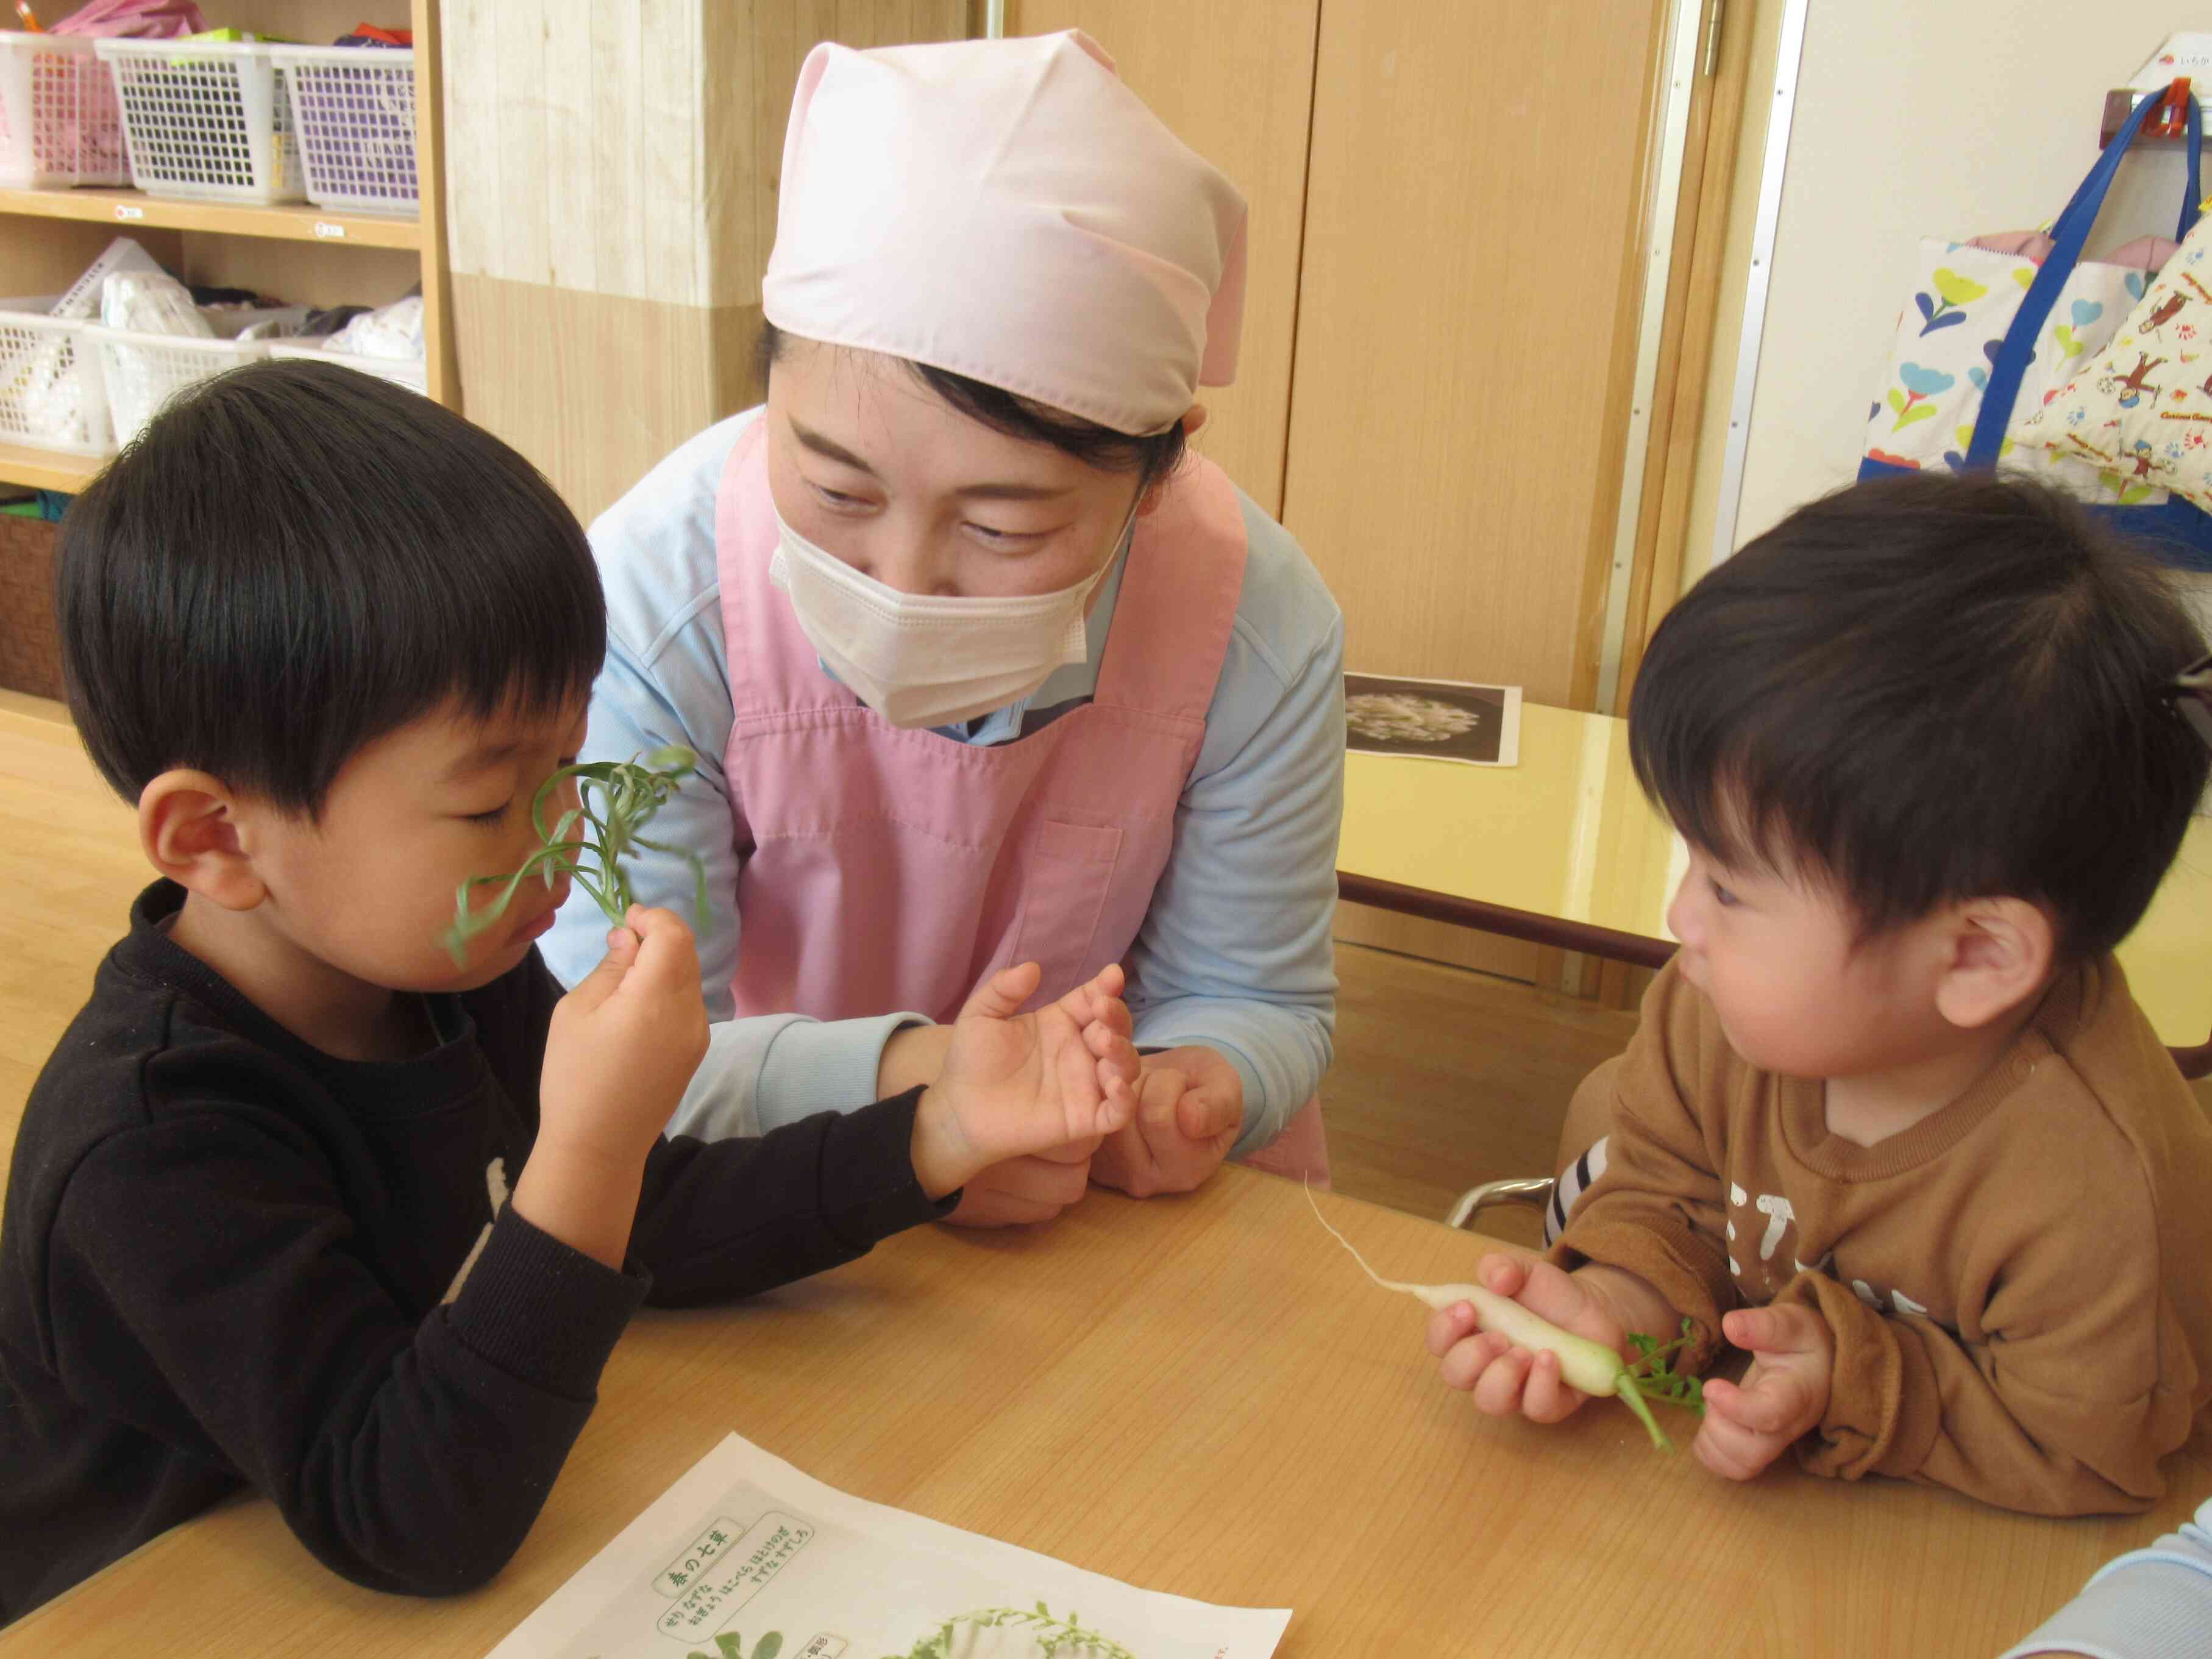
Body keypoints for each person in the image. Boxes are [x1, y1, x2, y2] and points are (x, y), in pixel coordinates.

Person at [0, 361, 1140, 1622]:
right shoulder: (151, 1146)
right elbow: (411, 1512)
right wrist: (592, 1142)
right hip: (136, 1602)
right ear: (216, 836)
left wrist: (933, 1134)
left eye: (568, 764)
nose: (562, 839)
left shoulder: (440, 975)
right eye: (492, 799)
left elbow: (644, 1218)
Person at [544, 30, 1345, 1224]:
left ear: (1160, 464)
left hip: (1092, 1216)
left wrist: (1188, 1086)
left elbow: (1254, 991)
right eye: (836, 490)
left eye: (1006, 528)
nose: (903, 579)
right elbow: (604, 1045)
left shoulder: (1255, 625)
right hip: (752, 1196)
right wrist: (928, 1100)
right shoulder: (657, 599)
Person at [1425, 471, 2212, 1515]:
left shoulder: (2091, 1188)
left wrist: (1856, 1379)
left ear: (1974, 956)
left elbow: (2086, 1451)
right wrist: (1621, 1300)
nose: (1679, 921)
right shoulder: (1710, 1010)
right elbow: (1667, 1197)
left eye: (1729, 886)